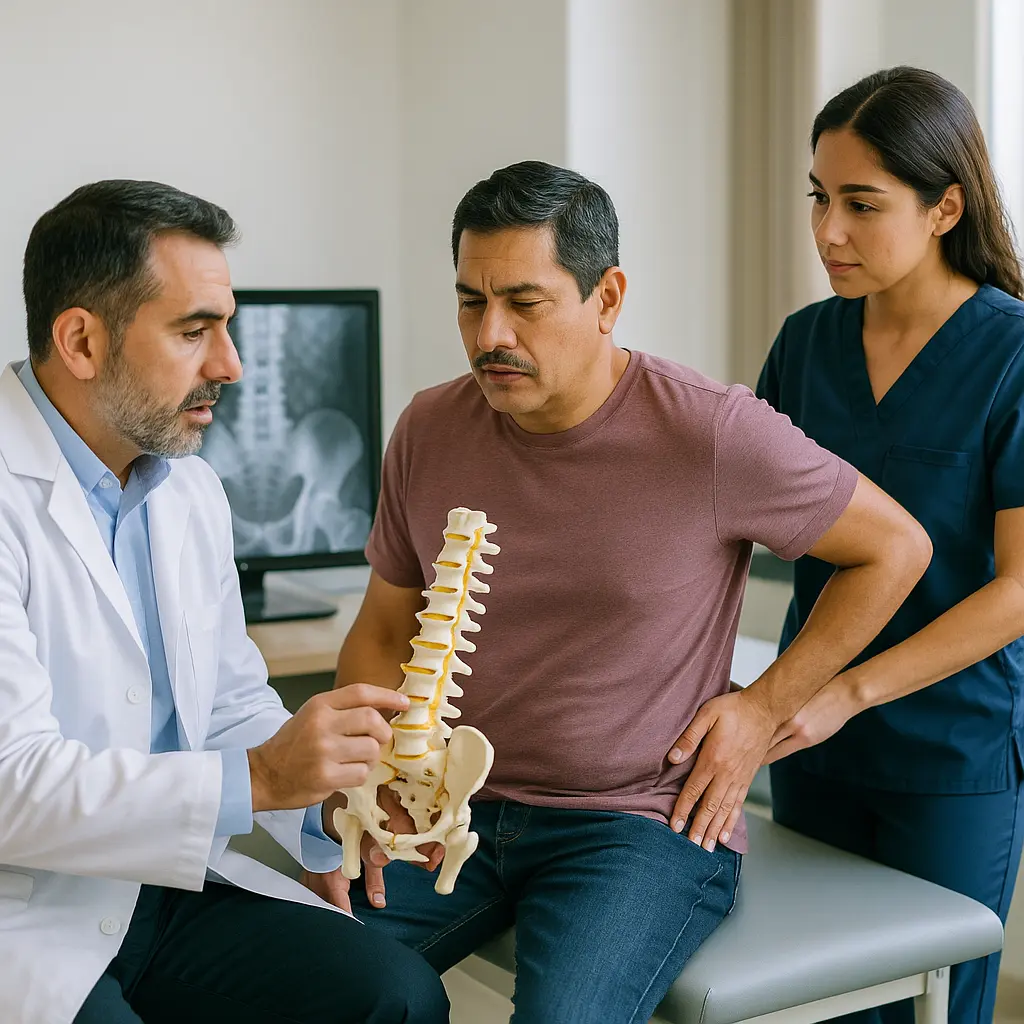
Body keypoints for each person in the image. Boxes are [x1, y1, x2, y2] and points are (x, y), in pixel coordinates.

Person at [303, 160, 932, 1024]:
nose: (490, 333)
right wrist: (364, 784)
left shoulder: (708, 430)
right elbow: (383, 626)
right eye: (469, 301)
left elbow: (897, 548)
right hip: (450, 807)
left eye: (526, 303)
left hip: (635, 826)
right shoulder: (429, 426)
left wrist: (763, 705)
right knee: (299, 979)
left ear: (607, 299)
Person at [0, 180, 450, 1024]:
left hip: (163, 891)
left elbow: (229, 704)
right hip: (25, 911)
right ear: (81, 340)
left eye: (227, 327)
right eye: (193, 330)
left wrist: (325, 801)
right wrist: (261, 777)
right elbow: (10, 786)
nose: (231, 365)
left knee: (396, 998)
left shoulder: (190, 490)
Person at [756, 67, 1024, 1024]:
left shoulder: (1012, 355)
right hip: (811, 752)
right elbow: (735, 529)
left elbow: (1019, 590)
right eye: (820, 199)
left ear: (946, 205)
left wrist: (848, 691)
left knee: (935, 1010)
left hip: (949, 760)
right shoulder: (804, 345)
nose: (829, 231)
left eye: (862, 205)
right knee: (817, 1008)